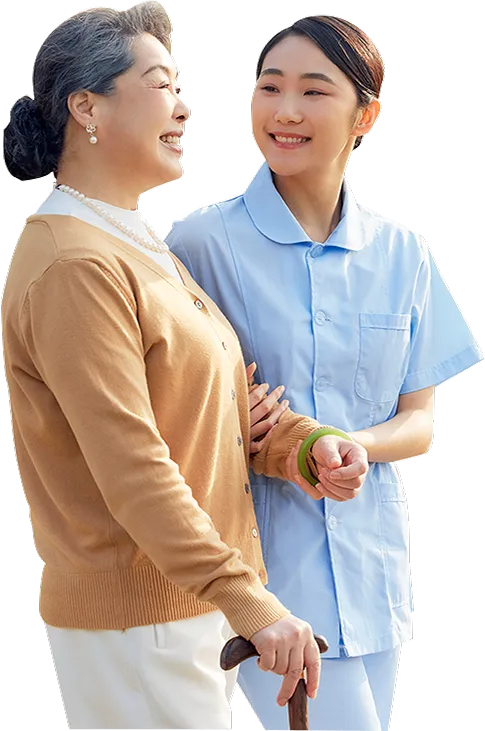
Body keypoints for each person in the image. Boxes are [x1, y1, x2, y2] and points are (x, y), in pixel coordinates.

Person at [1, 4, 372, 730]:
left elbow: (216, 414)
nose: (182, 108)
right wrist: (251, 601)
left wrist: (304, 445)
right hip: (139, 626)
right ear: (87, 107)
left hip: (182, 615)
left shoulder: (135, 244)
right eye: (161, 86)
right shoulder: (75, 266)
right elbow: (133, 466)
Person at [166, 14, 485, 731]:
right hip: (264, 586)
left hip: (373, 577)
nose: (285, 111)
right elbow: (172, 410)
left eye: (313, 91)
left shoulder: (401, 254)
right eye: (270, 87)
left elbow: (419, 422)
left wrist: (352, 445)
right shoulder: (196, 246)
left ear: (364, 116)